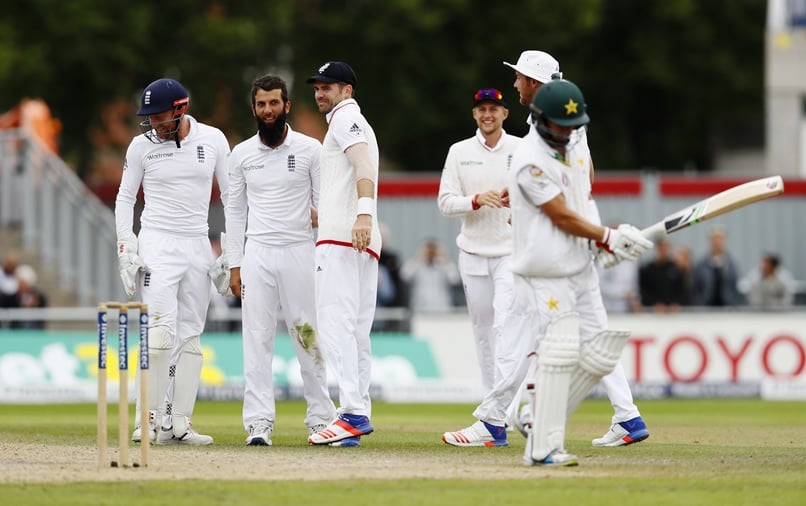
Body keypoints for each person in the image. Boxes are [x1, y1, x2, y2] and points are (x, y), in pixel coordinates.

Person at [504, 50, 651, 447]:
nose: (515, 83)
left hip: (560, 256)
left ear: (535, 84)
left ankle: (520, 417)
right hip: (558, 251)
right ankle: (619, 416)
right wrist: (601, 235)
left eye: (520, 77)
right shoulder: (539, 146)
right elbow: (563, 202)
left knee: (576, 341)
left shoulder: (562, 129)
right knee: (572, 341)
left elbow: (575, 194)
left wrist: (599, 237)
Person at [115, 77, 229, 446]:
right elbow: (124, 198)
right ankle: (147, 420)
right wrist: (125, 246)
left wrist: (232, 251)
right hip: (157, 244)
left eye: (158, 116)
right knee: (160, 335)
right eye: (148, 117)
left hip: (197, 243)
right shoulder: (140, 146)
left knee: (191, 337)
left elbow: (233, 196)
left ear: (181, 109)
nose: (152, 124)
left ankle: (179, 424)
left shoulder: (212, 139)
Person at [224, 74, 337, 446]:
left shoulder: (310, 149)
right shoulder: (240, 154)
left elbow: (325, 207)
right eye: (261, 104)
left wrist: (324, 256)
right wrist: (234, 264)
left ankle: (321, 418)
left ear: (286, 106)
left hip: (299, 252)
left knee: (307, 335)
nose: (268, 110)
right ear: (254, 108)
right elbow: (234, 214)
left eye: (274, 103)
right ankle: (258, 423)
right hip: (257, 254)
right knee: (256, 339)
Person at [437, 87, 530, 447]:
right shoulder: (459, 152)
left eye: (493, 109)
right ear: (475, 115)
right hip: (472, 253)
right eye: (481, 110)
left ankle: (496, 417)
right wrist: (475, 200)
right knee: (484, 334)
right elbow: (445, 203)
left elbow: (535, 193)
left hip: (510, 253)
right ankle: (496, 421)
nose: (487, 115)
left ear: (505, 113)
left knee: (507, 329)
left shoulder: (521, 148)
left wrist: (514, 204)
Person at [305, 61, 380, 447]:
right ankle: (357, 413)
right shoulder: (353, 120)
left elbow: (363, 165)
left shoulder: (345, 118)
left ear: (347, 91)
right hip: (356, 237)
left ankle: (350, 412)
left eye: (329, 87)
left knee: (336, 326)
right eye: (318, 87)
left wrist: (361, 214)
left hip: (344, 238)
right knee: (355, 331)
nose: (321, 93)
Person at [400, 239, 460, 314]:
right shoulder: (416, 263)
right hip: (419, 308)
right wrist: (419, 258)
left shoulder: (446, 264)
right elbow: (405, 276)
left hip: (442, 308)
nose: (431, 253)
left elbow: (455, 279)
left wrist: (443, 261)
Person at [691, 226, 742, 307]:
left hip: (727, 308)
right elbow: (695, 288)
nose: (717, 242)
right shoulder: (701, 264)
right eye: (714, 239)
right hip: (706, 308)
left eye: (720, 239)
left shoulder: (731, 264)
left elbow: (735, 287)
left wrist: (734, 305)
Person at [638, 238, 687, 313]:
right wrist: (654, 304)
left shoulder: (676, 269)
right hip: (652, 313)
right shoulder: (648, 269)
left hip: (672, 314)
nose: (663, 249)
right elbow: (644, 291)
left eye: (665, 246)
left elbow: (682, 290)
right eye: (661, 246)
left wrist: (676, 303)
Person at [10, 264, 48, 329]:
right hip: (16, 331)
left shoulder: (38, 296)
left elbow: (43, 313)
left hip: (35, 330)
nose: (19, 284)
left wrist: (34, 305)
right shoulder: (12, 297)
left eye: (22, 282)